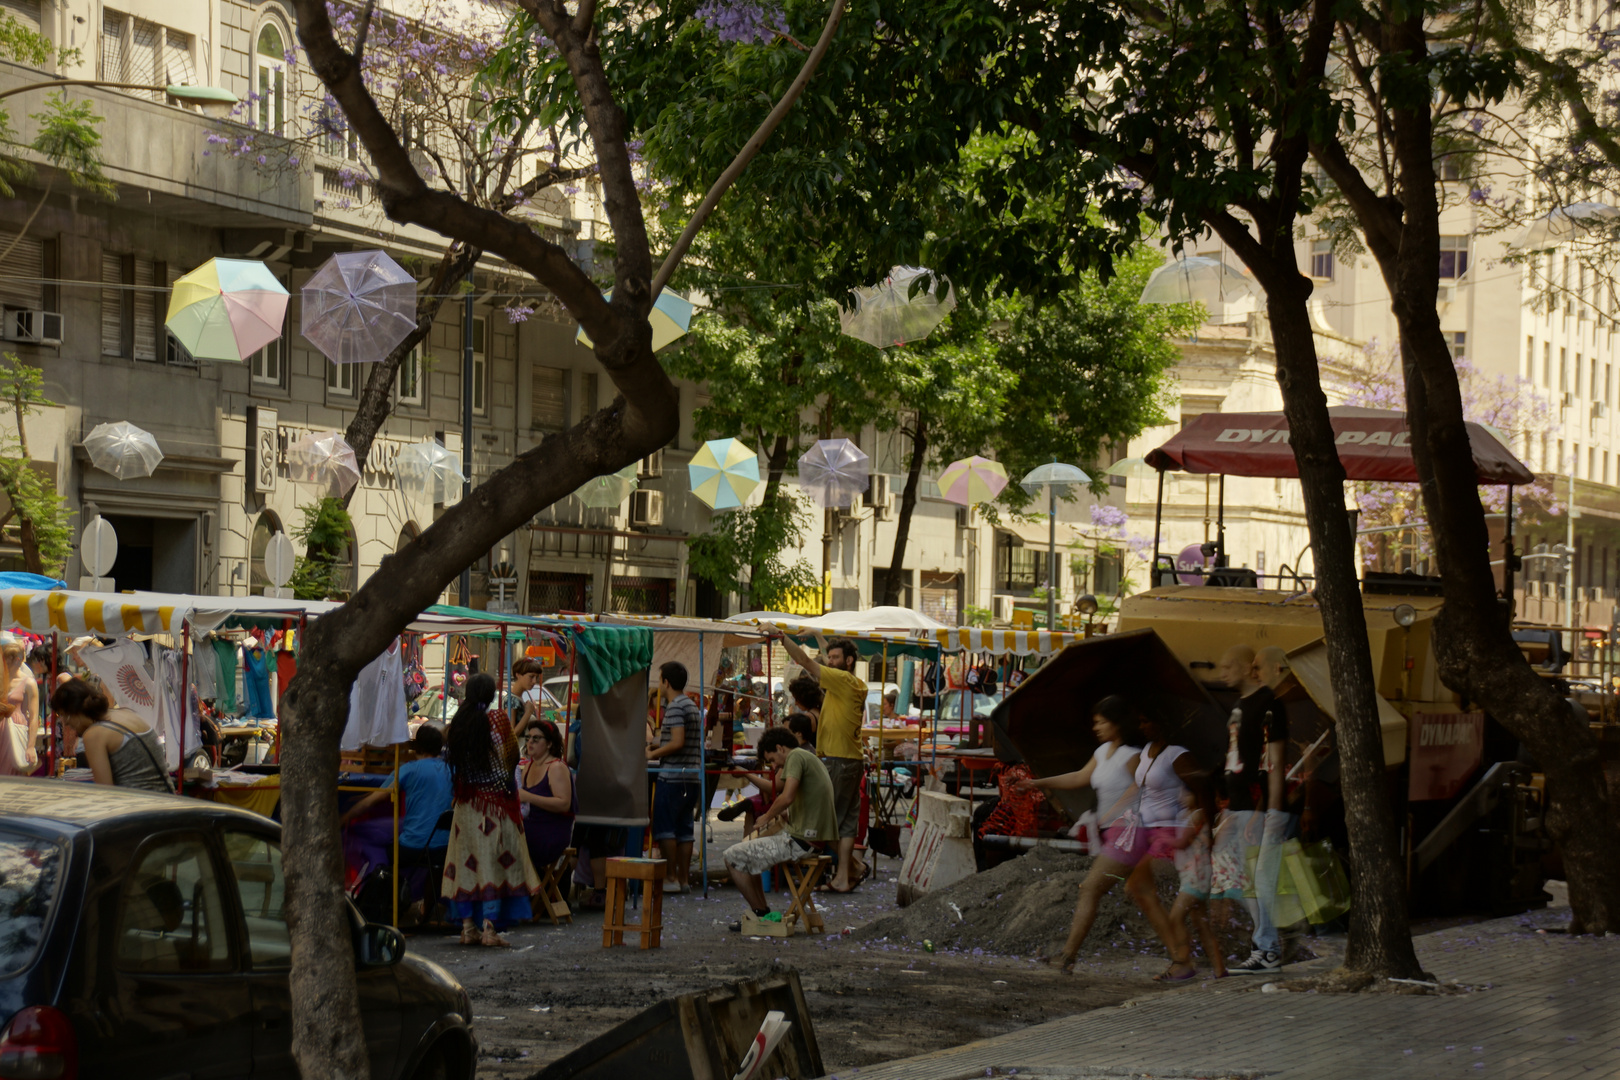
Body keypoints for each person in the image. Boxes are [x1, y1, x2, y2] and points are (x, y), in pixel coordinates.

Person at [1013, 694, 1141, 972]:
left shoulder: (1132, 756)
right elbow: (1078, 778)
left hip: (1128, 834)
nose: (1096, 727)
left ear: (1117, 724)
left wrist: (1114, 813)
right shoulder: (1102, 753)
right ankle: (1184, 958)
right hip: (1112, 832)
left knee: (1090, 889)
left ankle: (1068, 956)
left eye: (1101, 722)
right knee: (1147, 897)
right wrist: (1036, 782)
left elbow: (1142, 789)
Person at [440, 673, 540, 946]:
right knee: (494, 864)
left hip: (466, 808)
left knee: (466, 865)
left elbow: (450, 760)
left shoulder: (458, 724)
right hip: (494, 806)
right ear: (492, 694)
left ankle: (467, 928)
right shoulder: (497, 720)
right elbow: (511, 759)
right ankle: (489, 930)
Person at [766, 627, 869, 892]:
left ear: (848, 661)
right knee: (844, 824)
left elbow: (807, 662)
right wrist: (818, 636)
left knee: (825, 821)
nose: (830, 661)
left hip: (838, 760)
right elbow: (824, 657)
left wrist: (781, 637)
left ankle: (851, 871)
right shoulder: (854, 683)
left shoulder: (842, 681)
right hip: (851, 759)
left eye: (836, 658)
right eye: (830, 657)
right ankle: (846, 876)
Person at [1212, 643, 1293, 975]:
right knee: (1244, 879)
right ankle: (1264, 945)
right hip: (1239, 805)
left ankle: (1268, 948)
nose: (1222, 672)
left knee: (1259, 879)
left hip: (1256, 806)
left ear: (1249, 668)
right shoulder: (1239, 706)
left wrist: (1271, 810)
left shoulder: (1269, 705)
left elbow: (1273, 761)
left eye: (1229, 665)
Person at [722, 726, 838, 929]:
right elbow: (785, 793)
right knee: (748, 852)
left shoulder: (795, 757)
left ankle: (759, 913)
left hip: (802, 840)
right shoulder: (806, 756)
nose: (774, 766)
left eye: (773, 760)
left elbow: (786, 796)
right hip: (811, 838)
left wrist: (766, 817)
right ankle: (761, 911)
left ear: (780, 748)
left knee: (731, 857)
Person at [1131, 711, 1216, 981]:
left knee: (1149, 891)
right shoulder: (1146, 751)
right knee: (1188, 909)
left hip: (1170, 832)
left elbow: (1202, 787)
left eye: (1147, 720)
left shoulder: (1177, 754)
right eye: (1141, 721)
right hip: (1147, 830)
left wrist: (1206, 828)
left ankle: (1183, 959)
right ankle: (1205, 964)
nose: (1142, 726)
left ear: (1163, 721)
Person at [340, 724, 454, 913]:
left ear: (416, 748)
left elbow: (372, 801)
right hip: (446, 848)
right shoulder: (452, 770)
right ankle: (425, 905)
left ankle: (385, 902)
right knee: (427, 856)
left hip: (412, 849)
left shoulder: (409, 770)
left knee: (386, 848)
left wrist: (345, 817)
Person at [50, 677, 170, 792]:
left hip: (138, 807)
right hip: (165, 798)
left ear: (74, 711)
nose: (65, 722)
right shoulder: (127, 714)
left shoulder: (94, 735)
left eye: (64, 715)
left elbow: (106, 791)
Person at [648, 661, 703, 893]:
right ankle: (684, 880)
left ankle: (670, 877)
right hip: (691, 776)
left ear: (665, 682)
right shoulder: (691, 705)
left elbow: (677, 742)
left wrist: (652, 753)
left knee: (666, 829)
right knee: (685, 829)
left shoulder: (675, 707)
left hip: (672, 776)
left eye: (660, 679)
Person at [717, 713, 815, 831]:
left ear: (798, 733)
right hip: (798, 814)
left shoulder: (796, 756)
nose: (783, 734)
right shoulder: (803, 752)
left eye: (786, 731)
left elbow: (779, 791)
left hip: (801, 819)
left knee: (754, 810)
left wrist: (768, 816)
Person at [518, 718, 575, 873]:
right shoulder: (528, 766)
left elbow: (564, 804)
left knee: (508, 847)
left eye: (536, 738)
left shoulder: (556, 767)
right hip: (531, 828)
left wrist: (529, 797)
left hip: (550, 832)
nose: (530, 742)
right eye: (528, 738)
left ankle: (518, 894)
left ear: (549, 743)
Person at [0, 638, 38, 776]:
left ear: (17, 660)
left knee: (12, 771)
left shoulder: (28, 683)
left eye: (8, 663)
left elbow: (34, 716)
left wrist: (31, 746)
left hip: (14, 729)